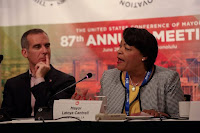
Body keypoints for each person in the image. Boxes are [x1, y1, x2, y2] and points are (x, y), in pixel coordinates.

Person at [73, 27, 184, 118]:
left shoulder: (168, 78)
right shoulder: (108, 77)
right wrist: (85, 108)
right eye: (120, 46)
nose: (119, 51)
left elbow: (179, 119)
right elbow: (103, 116)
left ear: (144, 55)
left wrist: (158, 115)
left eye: (127, 48)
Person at [1, 28, 76, 118]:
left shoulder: (65, 81)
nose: (45, 51)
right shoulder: (13, 84)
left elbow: (50, 112)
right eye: (37, 47)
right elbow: (5, 117)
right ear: (25, 53)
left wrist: (39, 79)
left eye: (47, 46)